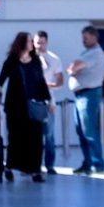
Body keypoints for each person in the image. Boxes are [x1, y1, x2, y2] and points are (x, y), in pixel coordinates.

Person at [0, 32, 51, 182]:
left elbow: (41, 82)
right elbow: (2, 76)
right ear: (22, 43)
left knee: (35, 139)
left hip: (33, 105)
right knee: (15, 138)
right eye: (29, 41)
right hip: (15, 106)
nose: (32, 44)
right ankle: (9, 166)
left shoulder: (35, 61)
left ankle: (35, 171)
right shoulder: (12, 61)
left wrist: (48, 100)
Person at [66, 24, 104, 174]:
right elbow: (71, 66)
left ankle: (98, 164)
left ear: (94, 38)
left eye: (86, 38)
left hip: (89, 94)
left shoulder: (95, 53)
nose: (83, 41)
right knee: (81, 132)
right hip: (80, 96)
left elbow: (74, 67)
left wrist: (73, 69)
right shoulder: (86, 52)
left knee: (89, 130)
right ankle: (87, 163)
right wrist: (73, 68)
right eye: (82, 38)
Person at [34, 31, 64, 174]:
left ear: (47, 42)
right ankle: (32, 165)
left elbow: (60, 81)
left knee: (49, 135)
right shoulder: (28, 59)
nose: (40, 45)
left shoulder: (54, 59)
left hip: (47, 101)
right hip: (32, 102)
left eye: (42, 42)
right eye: (37, 42)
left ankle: (50, 164)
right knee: (32, 135)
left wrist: (50, 87)